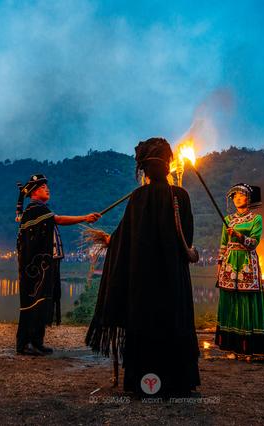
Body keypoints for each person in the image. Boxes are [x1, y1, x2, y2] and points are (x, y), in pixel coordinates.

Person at [86, 137, 200, 396]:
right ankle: (177, 383)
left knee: (146, 325)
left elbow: (124, 237)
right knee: (173, 322)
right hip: (172, 280)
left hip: (143, 282)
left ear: (144, 170)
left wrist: (109, 240)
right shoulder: (180, 196)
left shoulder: (138, 198)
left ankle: (144, 384)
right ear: (168, 165)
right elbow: (188, 238)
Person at [15, 174, 101, 356]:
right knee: (34, 303)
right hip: (36, 268)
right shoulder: (35, 209)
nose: (48, 189)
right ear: (35, 191)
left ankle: (37, 342)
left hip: (45, 265)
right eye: (44, 187)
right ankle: (25, 344)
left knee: (43, 302)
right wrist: (85, 218)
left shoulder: (40, 209)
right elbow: (59, 219)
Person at [215, 183, 264, 360]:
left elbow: (254, 243)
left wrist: (239, 236)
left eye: (241, 195)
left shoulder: (256, 219)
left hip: (247, 263)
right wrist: (219, 266)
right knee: (232, 303)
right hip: (230, 264)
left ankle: (250, 349)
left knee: (247, 303)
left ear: (249, 198)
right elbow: (223, 245)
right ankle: (233, 347)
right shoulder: (228, 219)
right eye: (235, 196)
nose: (237, 198)